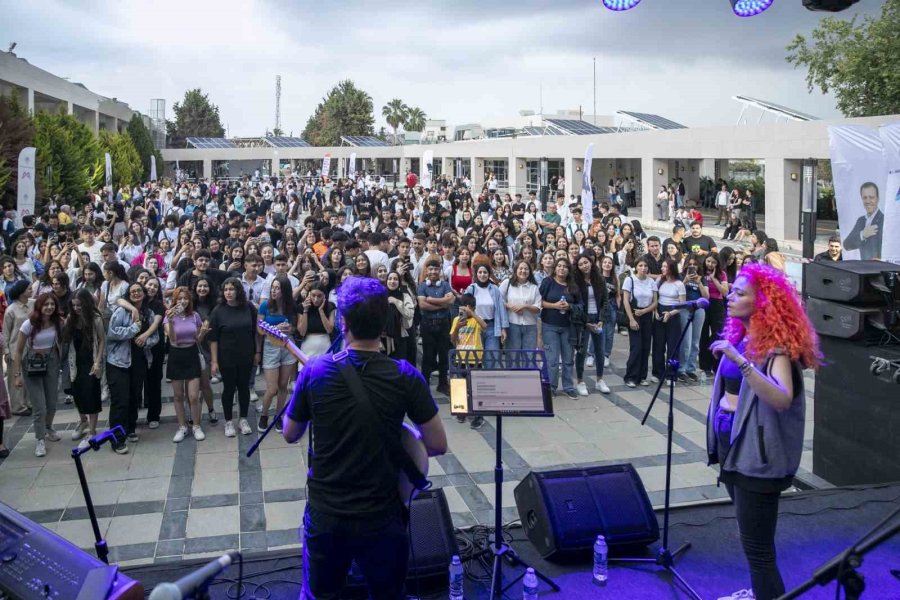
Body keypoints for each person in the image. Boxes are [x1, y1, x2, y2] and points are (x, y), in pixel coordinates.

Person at [282, 275, 447, 600]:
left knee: (322, 593)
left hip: (327, 511)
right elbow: (438, 444)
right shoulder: (405, 376)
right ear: (384, 323)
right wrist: (402, 437)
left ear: (342, 323)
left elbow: (290, 433)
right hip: (382, 514)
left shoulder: (315, 371)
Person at [706, 263, 820, 600]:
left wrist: (740, 362)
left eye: (740, 293)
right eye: (733, 290)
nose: (730, 296)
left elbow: (781, 398)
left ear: (762, 303)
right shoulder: (741, 337)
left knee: (759, 550)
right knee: (748, 536)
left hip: (758, 458)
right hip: (734, 448)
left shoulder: (776, 350)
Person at [106, 281, 157, 454]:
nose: (136, 293)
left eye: (139, 290)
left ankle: (130, 428)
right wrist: (133, 329)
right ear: (128, 295)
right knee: (120, 400)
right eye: (132, 291)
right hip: (118, 361)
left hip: (139, 360)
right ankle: (116, 439)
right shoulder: (121, 311)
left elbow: (155, 336)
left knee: (134, 396)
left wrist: (145, 340)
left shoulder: (148, 313)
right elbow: (112, 332)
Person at [13, 293, 64, 457]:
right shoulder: (29, 324)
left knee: (52, 403)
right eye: (46, 304)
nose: (49, 307)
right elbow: (19, 351)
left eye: (52, 304)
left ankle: (48, 427)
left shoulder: (58, 323)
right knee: (39, 406)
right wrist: (17, 375)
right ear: (39, 306)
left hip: (52, 363)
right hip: (32, 365)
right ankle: (40, 439)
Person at [209, 277, 258, 438]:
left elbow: (256, 331)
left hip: (246, 354)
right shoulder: (218, 310)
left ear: (238, 291)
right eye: (226, 289)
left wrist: (257, 352)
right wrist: (214, 361)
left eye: (232, 289)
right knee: (229, 389)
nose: (229, 292)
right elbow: (213, 338)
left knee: (244, 387)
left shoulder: (248, 307)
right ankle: (228, 421)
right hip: (226, 356)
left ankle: (243, 419)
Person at [64, 289, 105, 450]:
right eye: (74, 305)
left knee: (91, 395)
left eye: (79, 305)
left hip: (91, 360)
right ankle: (83, 422)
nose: (76, 308)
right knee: (78, 394)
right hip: (76, 362)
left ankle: (92, 430)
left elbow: (101, 340)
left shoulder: (95, 319)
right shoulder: (71, 319)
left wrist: (97, 362)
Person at [165, 287, 206, 443]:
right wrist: (169, 320)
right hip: (176, 355)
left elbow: (198, 339)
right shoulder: (169, 316)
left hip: (191, 353)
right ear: (175, 300)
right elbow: (173, 339)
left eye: (185, 298)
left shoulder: (194, 316)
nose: (183, 301)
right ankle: (182, 426)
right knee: (178, 395)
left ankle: (196, 425)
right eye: (179, 298)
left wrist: (203, 332)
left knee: (194, 396)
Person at [257, 276, 298, 432]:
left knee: (283, 386)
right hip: (270, 346)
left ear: (285, 290)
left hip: (287, 345)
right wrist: (275, 330)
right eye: (272, 287)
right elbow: (259, 329)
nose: (273, 290)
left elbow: (294, 328)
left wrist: (288, 329)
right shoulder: (265, 306)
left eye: (277, 288)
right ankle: (264, 415)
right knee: (272, 388)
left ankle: (279, 416)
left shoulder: (291, 306)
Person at [539, 258, 580, 399]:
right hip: (550, 325)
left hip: (568, 326)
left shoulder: (573, 285)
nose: (562, 269)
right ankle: (551, 386)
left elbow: (580, 305)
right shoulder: (548, 282)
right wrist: (554, 306)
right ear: (555, 268)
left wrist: (569, 307)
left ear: (569, 270)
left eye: (565, 267)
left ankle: (568, 386)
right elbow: (539, 301)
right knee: (552, 359)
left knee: (568, 358)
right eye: (559, 266)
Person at [573, 252, 610, 395]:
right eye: (581, 264)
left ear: (591, 263)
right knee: (581, 351)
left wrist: (601, 319)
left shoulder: (599, 279)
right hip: (583, 320)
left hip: (598, 319)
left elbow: (605, 301)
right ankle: (580, 381)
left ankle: (600, 380)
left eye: (586, 263)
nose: (584, 266)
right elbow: (576, 303)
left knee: (600, 351)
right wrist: (586, 322)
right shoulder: (576, 281)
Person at [417, 256, 454, 396]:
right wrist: (442, 304)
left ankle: (443, 384)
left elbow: (450, 302)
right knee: (428, 356)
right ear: (426, 271)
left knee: (444, 355)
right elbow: (422, 305)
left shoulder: (445, 285)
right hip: (427, 325)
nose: (433, 271)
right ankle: (424, 383)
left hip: (443, 325)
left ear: (440, 270)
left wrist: (431, 300)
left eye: (436, 269)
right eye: (430, 269)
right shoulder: (422, 286)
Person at [622, 258, 658, 388]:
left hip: (647, 315)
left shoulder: (651, 282)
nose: (643, 268)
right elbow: (625, 300)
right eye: (640, 265)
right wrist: (631, 318)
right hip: (634, 314)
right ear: (636, 267)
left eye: (645, 266)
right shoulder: (629, 280)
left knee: (646, 346)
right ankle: (631, 376)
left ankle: (642, 376)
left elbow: (655, 301)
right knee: (636, 346)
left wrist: (645, 311)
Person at [651, 259, 686, 383]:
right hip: (660, 311)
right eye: (662, 266)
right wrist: (655, 312)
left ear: (671, 268)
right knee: (658, 345)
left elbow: (682, 304)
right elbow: (654, 298)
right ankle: (657, 372)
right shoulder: (659, 280)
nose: (662, 269)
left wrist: (670, 313)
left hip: (673, 314)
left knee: (673, 346)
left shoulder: (679, 284)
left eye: (665, 266)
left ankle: (672, 374)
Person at [842, 182, 882, 260]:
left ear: (878, 198)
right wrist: (862, 235)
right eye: (865, 197)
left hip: (881, 269)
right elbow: (847, 245)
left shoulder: (884, 220)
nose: (867, 201)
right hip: (864, 269)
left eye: (871, 197)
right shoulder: (861, 221)